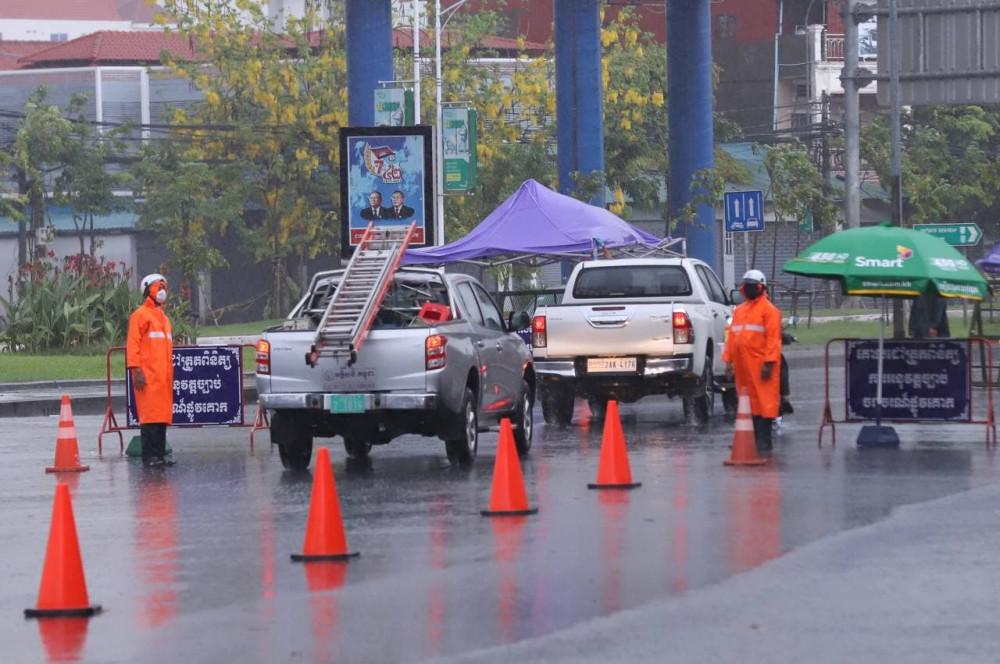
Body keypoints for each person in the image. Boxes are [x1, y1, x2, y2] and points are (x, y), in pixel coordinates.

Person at [723, 270, 782, 452]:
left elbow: (773, 339)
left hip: (761, 364)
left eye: (751, 285)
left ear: (760, 287)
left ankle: (764, 442)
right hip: (742, 366)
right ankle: (748, 439)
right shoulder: (740, 311)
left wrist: (769, 362)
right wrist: (729, 361)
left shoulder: (769, 311)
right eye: (746, 285)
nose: (748, 289)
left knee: (764, 403)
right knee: (746, 402)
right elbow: (732, 338)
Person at [127, 273, 175, 467]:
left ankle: (160, 455)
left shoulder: (164, 318)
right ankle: (150, 457)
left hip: (162, 378)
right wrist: (136, 370)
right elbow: (133, 345)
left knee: (161, 418)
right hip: (147, 376)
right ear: (148, 290)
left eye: (164, 286)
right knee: (150, 418)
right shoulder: (140, 315)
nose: (162, 290)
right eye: (158, 287)